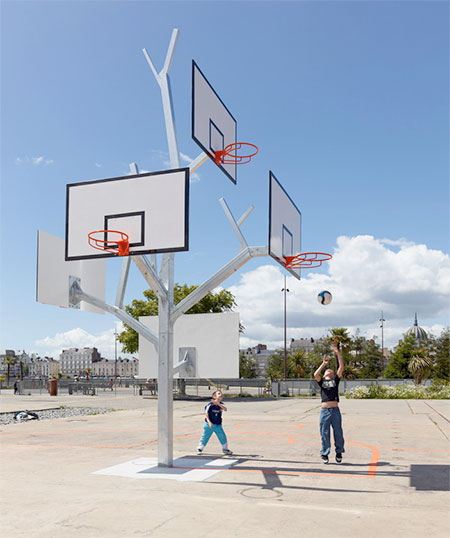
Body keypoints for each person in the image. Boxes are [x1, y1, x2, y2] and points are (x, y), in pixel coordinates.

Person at [314, 343, 345, 464]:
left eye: (329, 370)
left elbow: (341, 366)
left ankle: (339, 452)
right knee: (324, 433)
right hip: (325, 411)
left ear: (332, 374)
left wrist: (337, 353)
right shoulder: (321, 382)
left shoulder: (335, 380)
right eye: (327, 370)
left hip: (335, 411)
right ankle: (325, 453)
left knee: (338, 432)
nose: (328, 370)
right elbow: (316, 374)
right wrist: (323, 364)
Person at [197, 390, 233, 455]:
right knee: (205, 436)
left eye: (221, 394)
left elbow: (225, 409)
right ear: (214, 396)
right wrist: (209, 422)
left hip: (218, 425)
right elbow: (206, 414)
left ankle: (225, 449)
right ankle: (200, 448)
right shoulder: (210, 405)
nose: (221, 395)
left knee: (222, 436)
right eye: (219, 393)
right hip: (209, 424)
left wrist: (218, 403)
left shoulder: (221, 404)